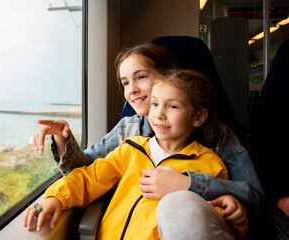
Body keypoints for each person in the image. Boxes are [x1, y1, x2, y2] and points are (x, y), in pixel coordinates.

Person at [33, 43, 263, 221]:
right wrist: (62, 139)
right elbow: (87, 172)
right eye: (125, 82)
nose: (132, 90)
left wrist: (188, 185)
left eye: (141, 77)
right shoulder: (128, 133)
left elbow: (254, 198)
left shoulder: (216, 136)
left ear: (167, 77)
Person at [24, 70, 238, 239]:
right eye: (155, 104)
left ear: (198, 117)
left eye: (172, 106)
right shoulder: (131, 149)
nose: (159, 114)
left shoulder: (210, 163)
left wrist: (236, 218)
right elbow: (89, 178)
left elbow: (210, 225)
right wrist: (56, 197)